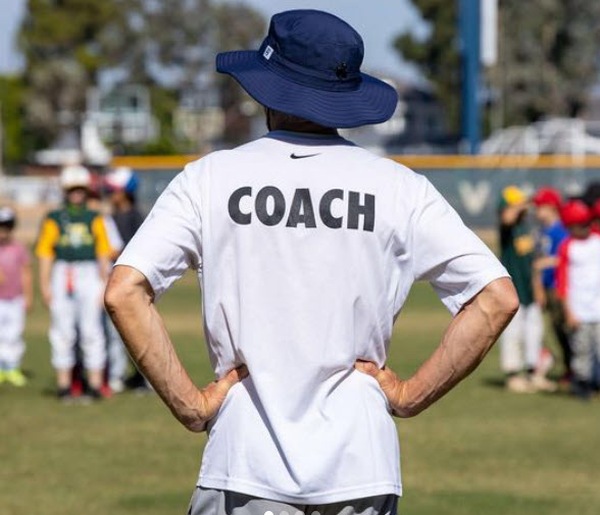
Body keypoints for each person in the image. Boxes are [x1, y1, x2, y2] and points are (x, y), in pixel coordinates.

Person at [105, 10, 517, 515]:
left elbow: (124, 290)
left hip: (245, 460)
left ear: (265, 89)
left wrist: (191, 406)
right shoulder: (398, 186)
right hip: (361, 463)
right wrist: (408, 395)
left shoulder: (209, 178)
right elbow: (496, 296)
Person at [35, 164, 112, 402]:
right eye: (72, 189)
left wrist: (104, 283)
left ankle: (95, 384)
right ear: (65, 191)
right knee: (63, 331)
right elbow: (46, 253)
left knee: (92, 330)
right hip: (63, 272)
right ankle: (64, 385)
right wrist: (45, 284)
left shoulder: (95, 217)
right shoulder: (54, 218)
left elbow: (103, 252)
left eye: (80, 189)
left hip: (89, 273)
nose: (77, 194)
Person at [497, 185, 547, 393]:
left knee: (534, 331)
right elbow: (507, 218)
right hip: (513, 288)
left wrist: (538, 287)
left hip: (529, 288)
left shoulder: (526, 227)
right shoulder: (508, 227)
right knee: (513, 332)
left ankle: (534, 373)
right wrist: (518, 205)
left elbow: (532, 260)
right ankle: (513, 374)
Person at [103, 166, 148, 393]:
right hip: (112, 281)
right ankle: (117, 375)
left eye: (114, 190)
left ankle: (146, 379)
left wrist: (116, 253)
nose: (110, 195)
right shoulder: (110, 217)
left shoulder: (136, 218)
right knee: (113, 333)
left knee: (139, 332)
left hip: (133, 284)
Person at [556, 199, 600, 399]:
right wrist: (568, 310)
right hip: (579, 309)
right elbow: (562, 281)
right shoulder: (567, 246)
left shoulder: (597, 240)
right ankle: (581, 382)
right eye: (576, 226)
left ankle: (596, 380)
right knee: (581, 348)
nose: (581, 229)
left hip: (598, 306)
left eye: (584, 224)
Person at [531, 187, 570, 384]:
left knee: (566, 328)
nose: (537, 211)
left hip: (559, 286)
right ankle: (568, 366)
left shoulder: (561, 230)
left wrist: (545, 263)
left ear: (552, 207)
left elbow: (566, 257)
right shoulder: (540, 232)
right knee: (554, 328)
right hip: (545, 286)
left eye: (540, 206)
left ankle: (573, 368)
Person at [0, 207, 33, 386]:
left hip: (14, 298)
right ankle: (1, 368)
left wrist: (28, 297)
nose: (3, 231)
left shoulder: (18, 249)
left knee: (13, 334)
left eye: (6, 227)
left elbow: (26, 273)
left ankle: (12, 368)